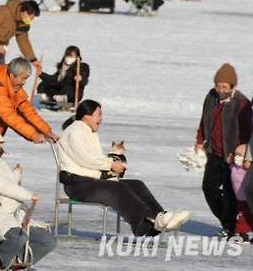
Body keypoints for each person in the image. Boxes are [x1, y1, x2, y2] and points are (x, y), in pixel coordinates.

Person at [58, 99, 191, 236]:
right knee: (117, 188)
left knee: (137, 185)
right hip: (77, 185)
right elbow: (85, 158)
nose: (101, 119)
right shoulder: (75, 132)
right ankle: (145, 223)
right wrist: (110, 165)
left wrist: (113, 163)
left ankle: (162, 219)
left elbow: (93, 159)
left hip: (91, 181)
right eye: (98, 114)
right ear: (86, 116)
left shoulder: (88, 131)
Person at [0, 125, 56, 269]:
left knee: (48, 240)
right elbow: (1, 186)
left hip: (15, 214)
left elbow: (6, 184)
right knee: (18, 237)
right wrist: (27, 194)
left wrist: (16, 174)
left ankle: (17, 263)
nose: (1, 144)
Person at [195, 63, 252, 237]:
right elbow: (204, 120)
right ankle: (229, 221)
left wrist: (241, 152)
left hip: (232, 156)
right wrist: (199, 140)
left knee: (230, 193)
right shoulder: (211, 97)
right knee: (209, 188)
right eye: (218, 86)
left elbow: (247, 133)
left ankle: (230, 226)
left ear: (233, 86)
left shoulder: (242, 103)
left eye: (224, 87)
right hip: (214, 151)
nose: (220, 90)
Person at [230, 144, 253, 242]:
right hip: (239, 198)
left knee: (247, 215)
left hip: (249, 197)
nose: (237, 158)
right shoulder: (234, 168)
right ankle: (242, 234)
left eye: (240, 155)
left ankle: (243, 233)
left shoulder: (248, 170)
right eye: (236, 155)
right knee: (242, 216)